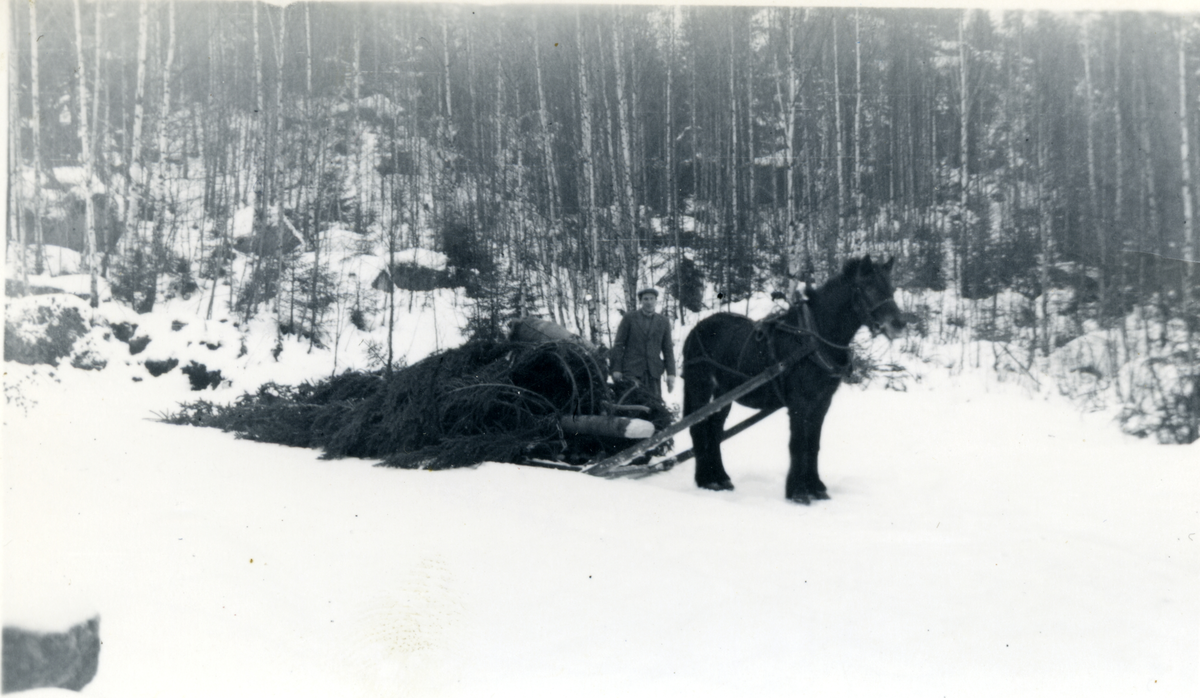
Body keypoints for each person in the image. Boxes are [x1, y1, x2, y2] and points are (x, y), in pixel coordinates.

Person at [610, 288, 676, 399]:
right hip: (631, 371)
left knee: (654, 406)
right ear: (640, 301)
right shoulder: (629, 318)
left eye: (652, 299)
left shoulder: (663, 321)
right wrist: (616, 368)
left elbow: (668, 348)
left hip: (653, 372)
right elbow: (619, 344)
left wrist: (671, 373)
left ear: (656, 301)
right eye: (645, 299)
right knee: (632, 403)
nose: (649, 302)